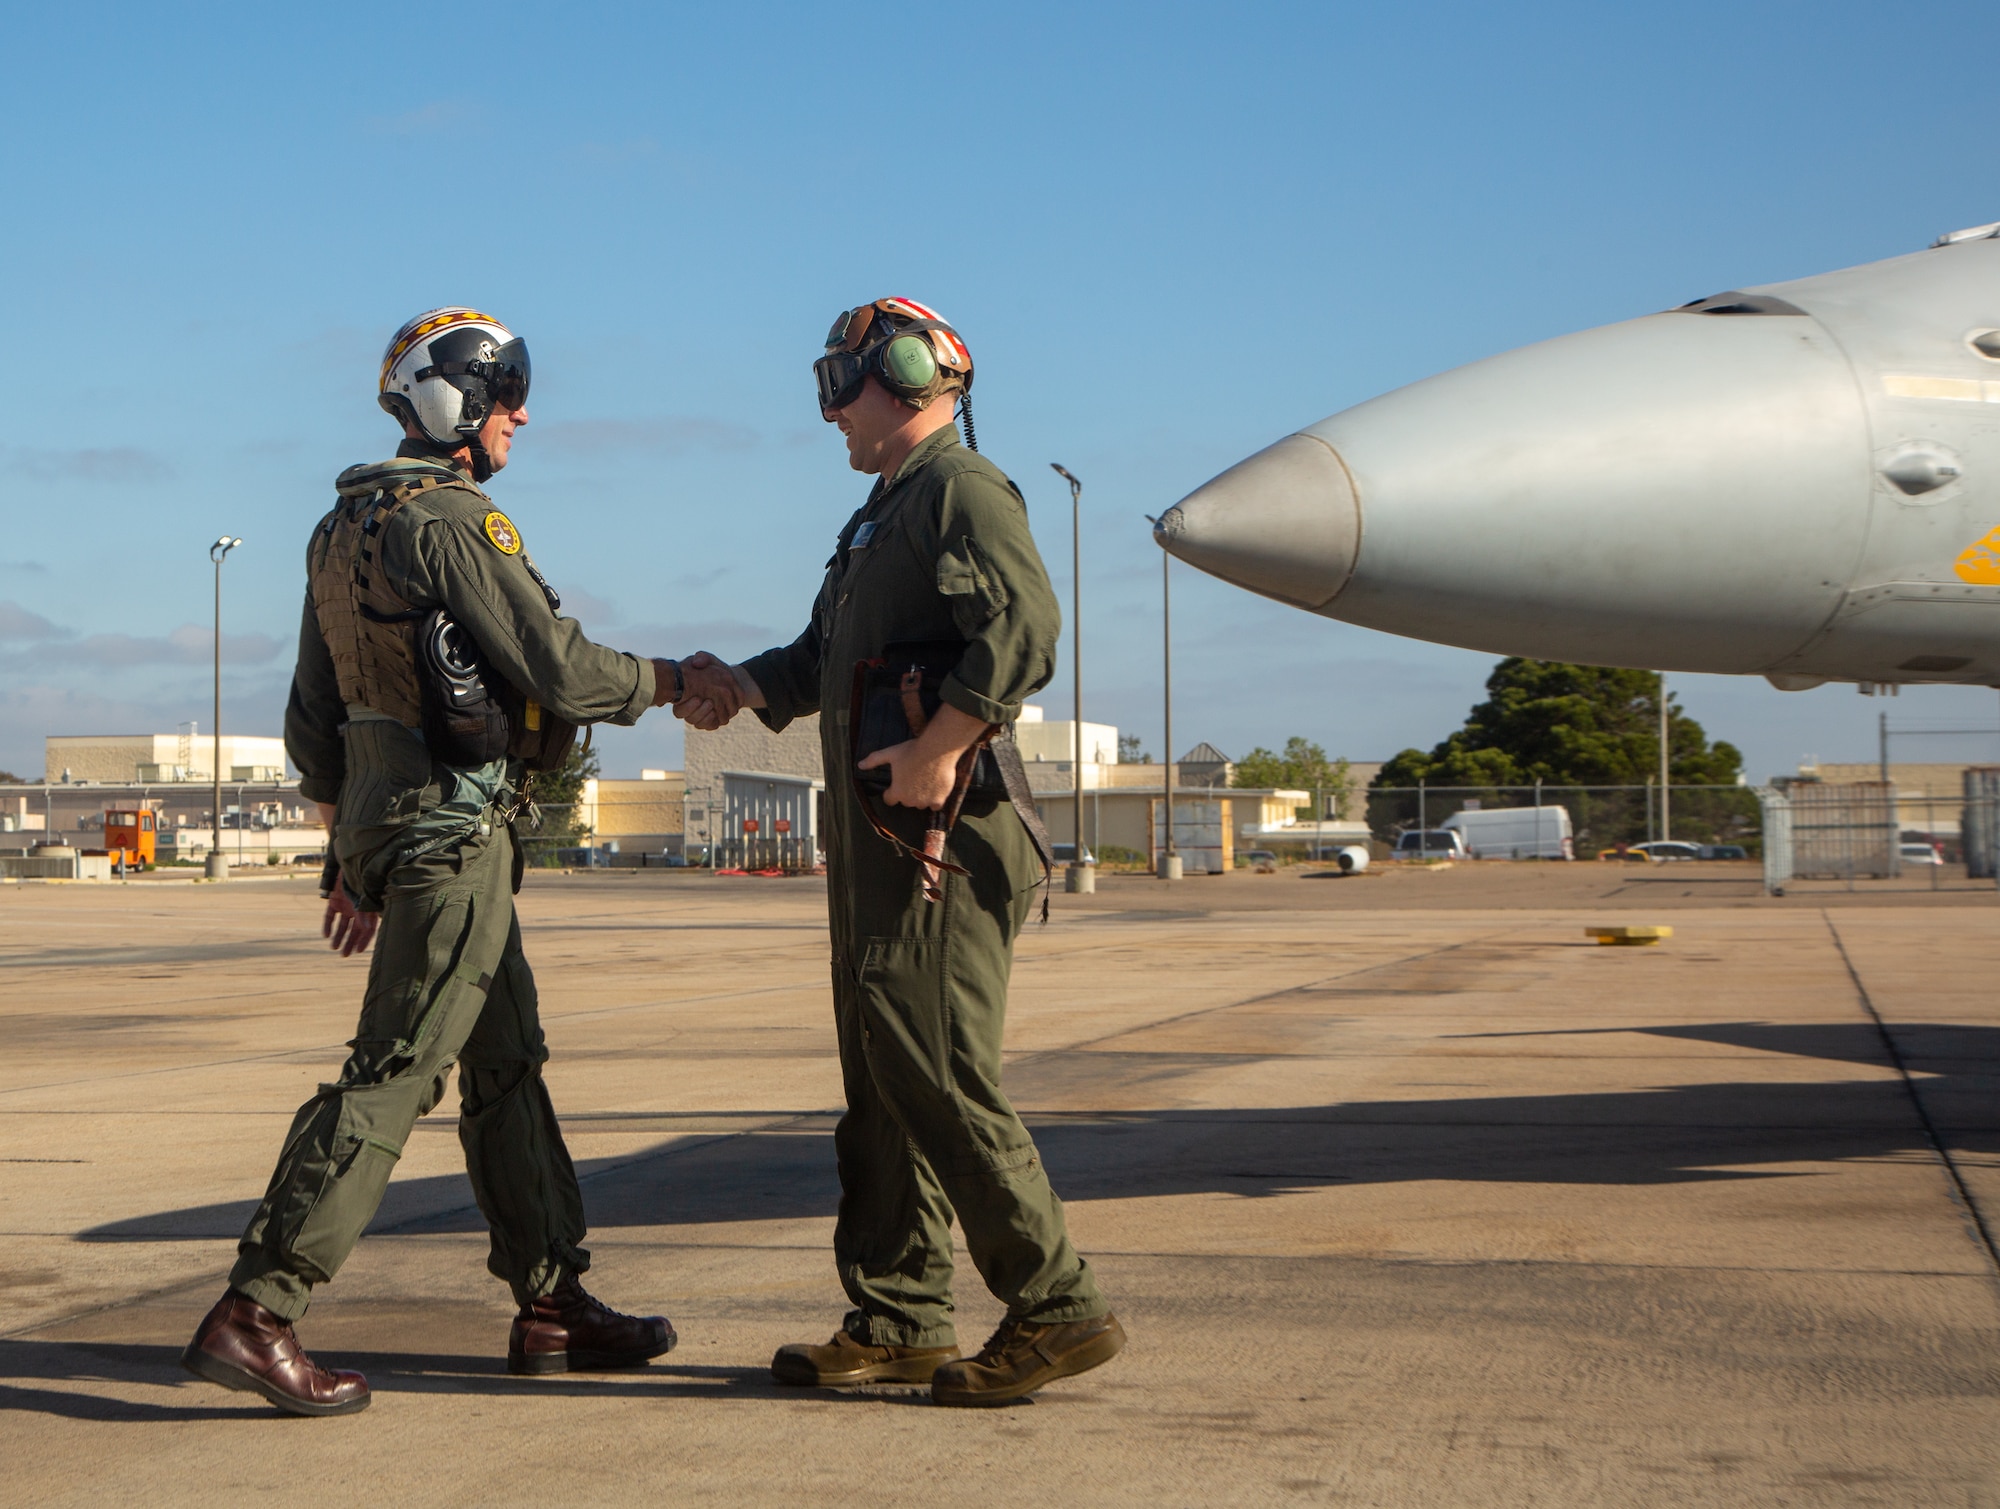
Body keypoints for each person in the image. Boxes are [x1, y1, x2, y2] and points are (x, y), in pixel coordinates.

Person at [182, 307, 694, 1417]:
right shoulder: (454, 525)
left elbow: (316, 709)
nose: (519, 417)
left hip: (397, 825)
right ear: (458, 406)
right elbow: (555, 668)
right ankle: (258, 1310)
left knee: (505, 1061)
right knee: (396, 1070)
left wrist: (348, 856)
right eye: (505, 395)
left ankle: (552, 1300)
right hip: (455, 834)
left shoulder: (341, 525)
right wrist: (671, 678)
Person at [677, 297, 1125, 1406]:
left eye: (843, 383)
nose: (830, 410)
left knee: (934, 1068)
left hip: (945, 835)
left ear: (912, 379)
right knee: (882, 1074)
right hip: (884, 839)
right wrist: (738, 686)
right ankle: (900, 1312)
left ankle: (1054, 1306)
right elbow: (826, 657)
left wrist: (940, 744)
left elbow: (1024, 630)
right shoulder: (884, 513)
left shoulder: (961, 491)